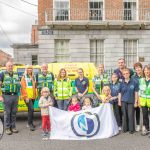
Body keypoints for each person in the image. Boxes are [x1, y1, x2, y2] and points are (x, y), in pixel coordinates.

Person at [0, 61, 20, 135]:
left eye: (11, 66)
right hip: (6, 95)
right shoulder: (2, 74)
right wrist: (0, 96)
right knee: (7, 113)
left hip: (15, 95)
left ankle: (13, 127)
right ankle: (7, 128)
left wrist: (19, 94)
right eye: (9, 66)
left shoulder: (16, 74)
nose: (10, 67)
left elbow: (18, 85)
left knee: (14, 113)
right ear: (6, 67)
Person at [118, 69, 139, 134]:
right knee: (124, 115)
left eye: (127, 73)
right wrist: (119, 101)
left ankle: (131, 129)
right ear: (123, 75)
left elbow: (136, 92)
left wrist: (136, 102)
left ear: (129, 74)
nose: (125, 75)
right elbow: (119, 93)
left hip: (131, 101)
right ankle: (125, 129)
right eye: (124, 74)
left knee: (130, 115)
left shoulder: (134, 82)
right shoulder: (121, 83)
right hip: (123, 101)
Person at [20, 65, 37, 131]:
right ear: (26, 70)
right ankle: (30, 124)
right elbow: (23, 88)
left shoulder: (33, 76)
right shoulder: (24, 77)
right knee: (31, 109)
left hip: (32, 96)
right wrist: (26, 97)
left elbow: (34, 86)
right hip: (27, 97)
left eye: (31, 68)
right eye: (28, 68)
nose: (30, 70)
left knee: (30, 110)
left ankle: (29, 123)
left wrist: (35, 94)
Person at [139, 65, 150, 137]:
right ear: (143, 71)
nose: (147, 71)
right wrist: (139, 101)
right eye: (145, 70)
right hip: (143, 101)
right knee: (145, 116)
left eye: (148, 70)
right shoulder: (141, 80)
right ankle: (147, 129)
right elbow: (140, 91)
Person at [132, 62, 143, 132]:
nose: (138, 69)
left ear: (141, 68)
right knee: (137, 111)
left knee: (145, 111)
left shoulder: (144, 75)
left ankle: (145, 125)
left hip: (144, 96)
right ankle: (138, 125)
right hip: (136, 96)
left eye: (139, 67)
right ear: (135, 70)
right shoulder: (133, 77)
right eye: (136, 68)